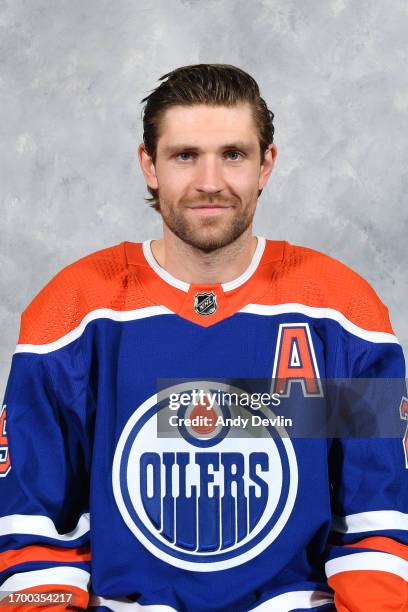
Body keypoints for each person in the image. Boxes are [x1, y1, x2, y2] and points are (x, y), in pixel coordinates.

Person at [0, 64, 407, 612]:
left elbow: (378, 524)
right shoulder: (75, 311)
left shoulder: (338, 309)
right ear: (150, 165)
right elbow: (31, 528)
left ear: (267, 165)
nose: (210, 182)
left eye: (234, 155)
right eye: (185, 155)